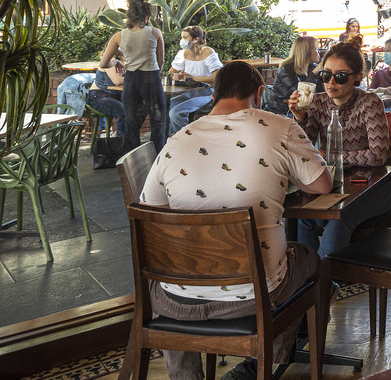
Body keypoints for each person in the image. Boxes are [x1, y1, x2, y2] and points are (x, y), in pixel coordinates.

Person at [139, 60, 332, 380]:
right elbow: (321, 185)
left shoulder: (176, 141)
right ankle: (267, 361)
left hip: (178, 300)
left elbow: (150, 213)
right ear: (259, 92)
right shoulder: (279, 127)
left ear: (214, 95)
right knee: (312, 260)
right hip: (255, 297)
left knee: (174, 274)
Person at [289, 42, 391, 258]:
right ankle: (306, 276)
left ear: (357, 77)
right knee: (302, 214)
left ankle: (324, 280)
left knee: (340, 217)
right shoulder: (317, 102)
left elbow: (378, 155)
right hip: (335, 184)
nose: (331, 82)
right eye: (325, 75)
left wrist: (331, 158)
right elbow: (306, 148)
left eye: (340, 77)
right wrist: (300, 117)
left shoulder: (369, 102)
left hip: (377, 185)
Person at [100, 0, 165, 153]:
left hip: (131, 81)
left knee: (131, 123)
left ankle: (132, 162)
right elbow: (161, 61)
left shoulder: (119, 36)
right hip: (152, 79)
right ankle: (156, 160)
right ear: (147, 16)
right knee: (158, 122)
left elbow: (103, 64)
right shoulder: (155, 33)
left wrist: (117, 62)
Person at [166, 26, 223, 135]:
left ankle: (183, 140)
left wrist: (192, 77)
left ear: (195, 40)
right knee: (165, 107)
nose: (181, 40)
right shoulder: (183, 53)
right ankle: (169, 140)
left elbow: (218, 78)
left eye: (184, 37)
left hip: (208, 94)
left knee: (175, 112)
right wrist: (175, 76)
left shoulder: (208, 53)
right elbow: (171, 72)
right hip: (190, 93)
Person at [265, 36, 323, 115]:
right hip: (283, 112)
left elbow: (321, 91)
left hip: (303, 109)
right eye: (316, 49)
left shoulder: (312, 67)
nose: (319, 52)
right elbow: (299, 93)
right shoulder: (285, 69)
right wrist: (315, 72)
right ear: (306, 52)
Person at [85, 49, 125, 137]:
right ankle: (121, 142)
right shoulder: (110, 61)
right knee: (123, 111)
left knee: (138, 109)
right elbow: (117, 81)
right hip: (98, 96)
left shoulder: (125, 61)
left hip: (114, 95)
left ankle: (116, 135)